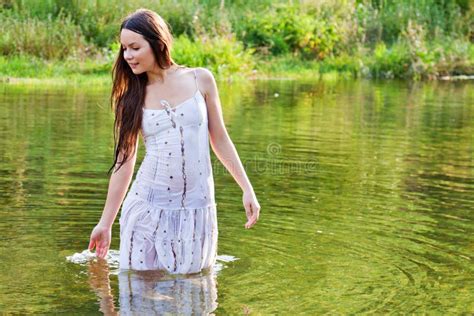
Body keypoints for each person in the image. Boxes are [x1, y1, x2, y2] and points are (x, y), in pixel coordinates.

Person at [88, 8, 260, 275]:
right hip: (147, 208)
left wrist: (246, 188)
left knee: (194, 292)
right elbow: (125, 162)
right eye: (124, 49)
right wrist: (105, 223)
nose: (128, 56)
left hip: (197, 209)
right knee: (141, 299)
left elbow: (220, 138)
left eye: (135, 47)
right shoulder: (130, 100)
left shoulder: (200, 79)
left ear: (157, 43)